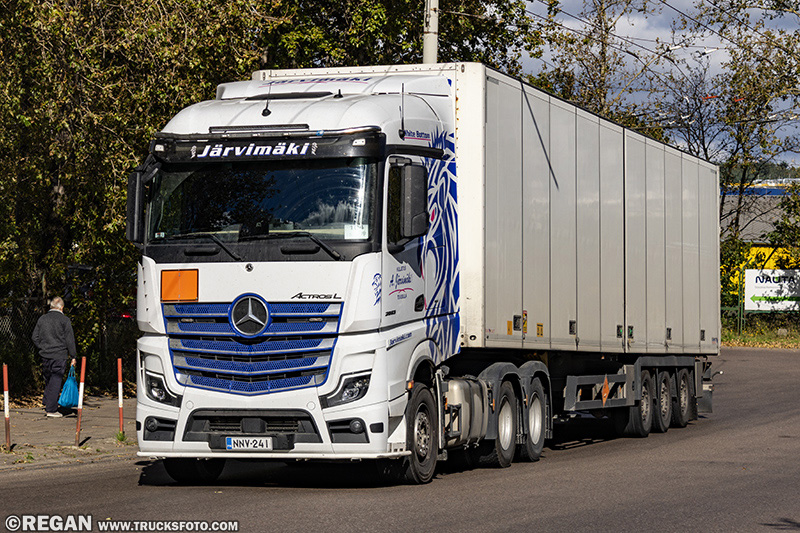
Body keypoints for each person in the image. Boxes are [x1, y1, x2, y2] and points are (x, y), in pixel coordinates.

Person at [31, 297, 77, 418]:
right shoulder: (64, 320)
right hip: (59, 354)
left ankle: (47, 401)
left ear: (51, 307)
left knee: (48, 379)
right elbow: (69, 339)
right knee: (55, 381)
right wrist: (73, 356)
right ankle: (51, 409)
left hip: (45, 354)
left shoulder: (42, 319)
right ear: (61, 308)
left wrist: (42, 347)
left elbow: (34, 337)